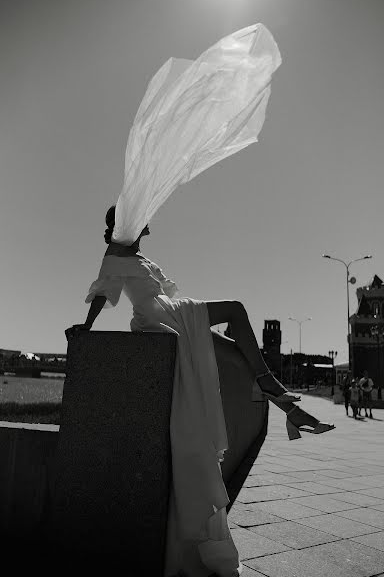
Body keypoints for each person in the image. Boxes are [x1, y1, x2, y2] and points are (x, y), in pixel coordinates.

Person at [65, 207, 335, 577]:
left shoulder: (141, 256)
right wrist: (86, 326)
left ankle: (285, 406)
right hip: (161, 320)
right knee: (236, 313)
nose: (148, 217)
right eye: (141, 212)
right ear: (128, 221)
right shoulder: (116, 254)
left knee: (235, 345)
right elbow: (104, 293)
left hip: (173, 314)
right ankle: (279, 395)